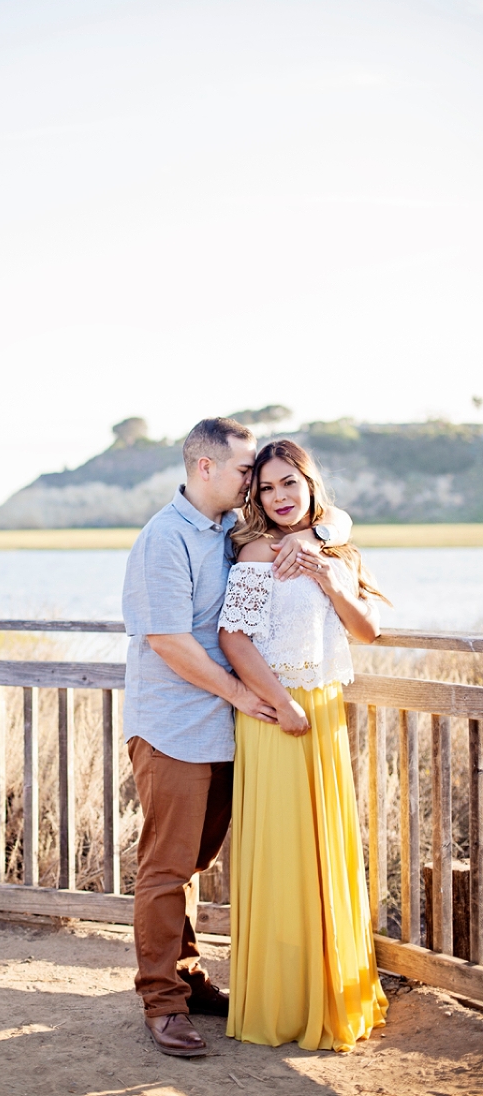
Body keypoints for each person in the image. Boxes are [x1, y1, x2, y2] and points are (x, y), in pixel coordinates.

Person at [122, 418, 353, 1058]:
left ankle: (188, 978)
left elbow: (328, 517)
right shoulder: (164, 540)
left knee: (196, 861)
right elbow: (169, 641)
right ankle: (161, 1003)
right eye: (245, 470)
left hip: (229, 730)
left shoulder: (230, 529)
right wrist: (249, 697)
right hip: (174, 726)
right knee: (167, 868)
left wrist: (328, 534)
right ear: (205, 468)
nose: (253, 481)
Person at [218, 438, 389, 1053]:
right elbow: (234, 639)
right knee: (283, 849)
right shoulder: (257, 553)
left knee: (325, 849)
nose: (279, 497)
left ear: (310, 483)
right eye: (266, 488)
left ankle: (332, 988)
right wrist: (283, 705)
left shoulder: (330, 547)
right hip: (275, 710)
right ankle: (283, 998)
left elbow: (368, 629)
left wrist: (327, 572)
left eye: (289, 482)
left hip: (325, 711)